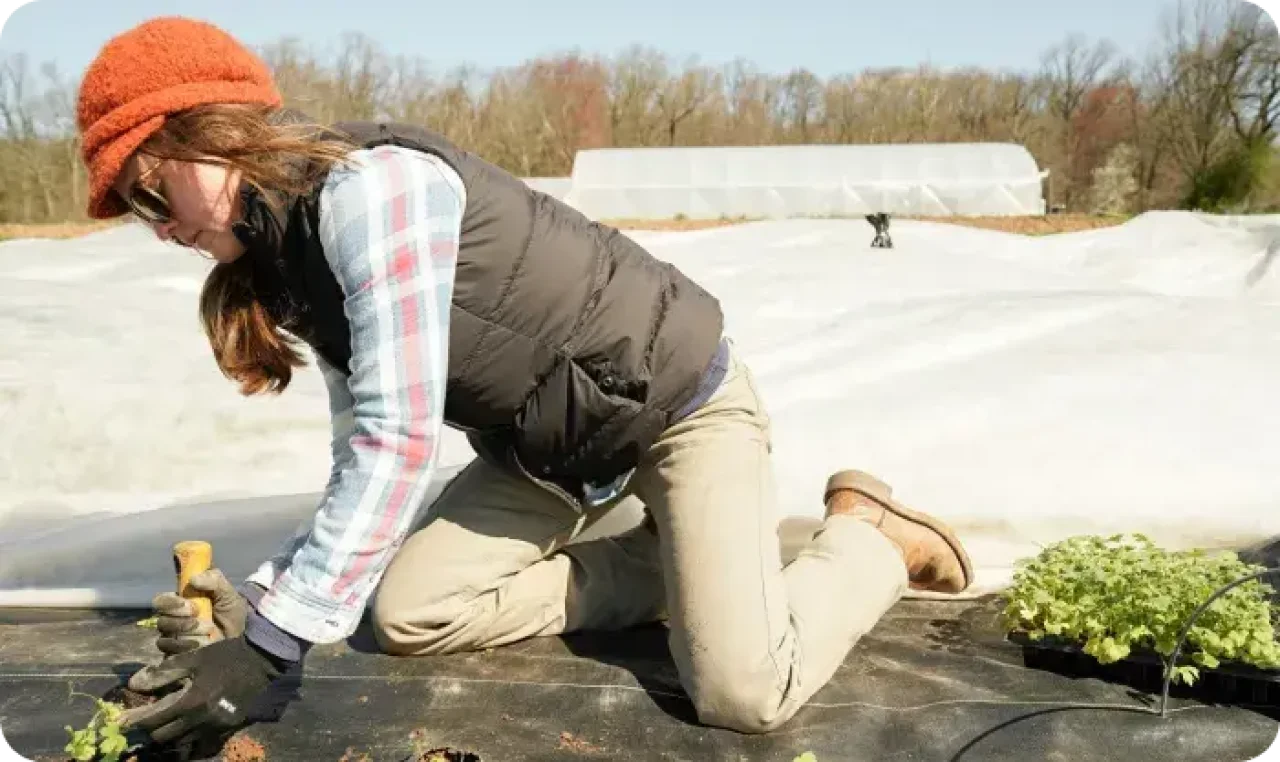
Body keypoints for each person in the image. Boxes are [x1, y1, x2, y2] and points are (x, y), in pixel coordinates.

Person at [77, 16, 974, 746]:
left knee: (745, 692)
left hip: (679, 411)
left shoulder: (369, 191)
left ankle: (869, 539)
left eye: (150, 194)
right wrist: (274, 599)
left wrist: (273, 648)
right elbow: (361, 446)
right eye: (135, 214)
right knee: (404, 614)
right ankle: (690, 567)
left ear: (212, 133)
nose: (156, 229)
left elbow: (400, 437)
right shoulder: (285, 264)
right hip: (557, 452)